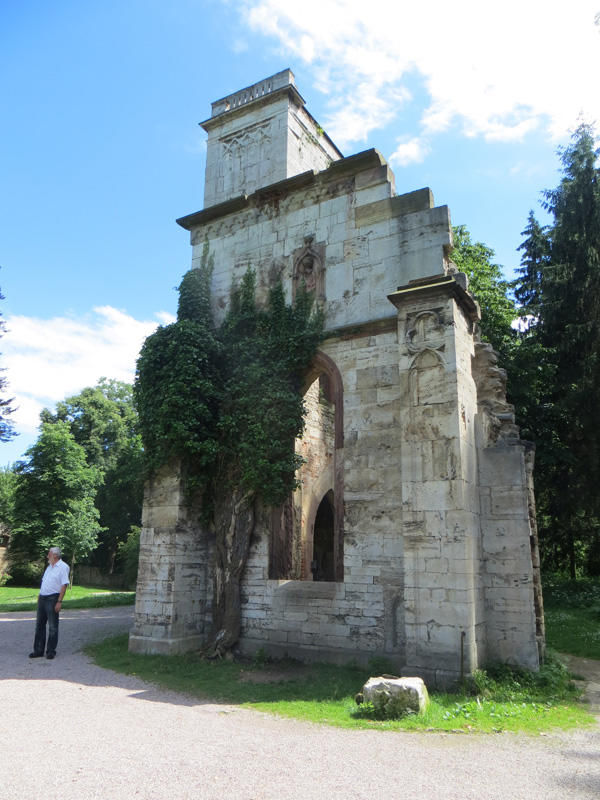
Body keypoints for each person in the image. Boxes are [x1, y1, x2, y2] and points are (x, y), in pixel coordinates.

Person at [29, 546, 70, 660]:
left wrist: (59, 601)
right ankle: (38, 650)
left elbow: (64, 585)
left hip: (53, 598)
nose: (47, 556)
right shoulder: (49, 567)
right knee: (39, 626)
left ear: (55, 555)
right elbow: (45, 582)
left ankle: (51, 651)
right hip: (43, 598)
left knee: (52, 626)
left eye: (49, 554)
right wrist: (40, 595)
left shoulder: (63, 567)